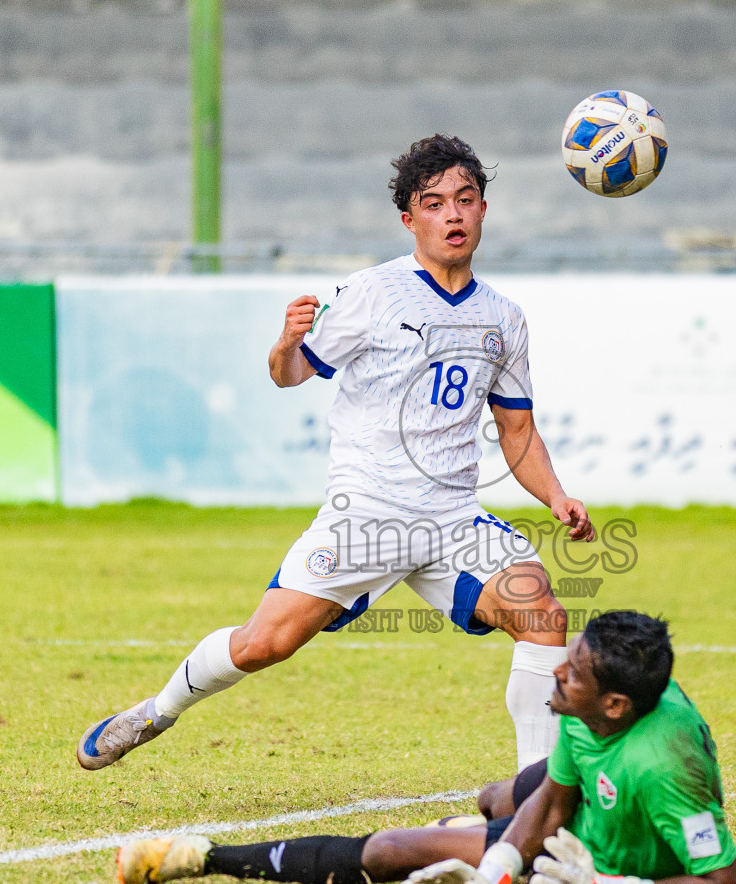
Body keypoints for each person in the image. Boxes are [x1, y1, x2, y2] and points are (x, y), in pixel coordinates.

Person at [76, 134, 594, 775]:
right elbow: (290, 374)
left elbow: (517, 434)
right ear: (410, 219)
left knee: (542, 613)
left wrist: (557, 495)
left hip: (452, 519)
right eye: (434, 203)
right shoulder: (373, 293)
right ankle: (158, 709)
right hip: (368, 512)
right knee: (265, 643)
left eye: (465, 199)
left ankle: (534, 798)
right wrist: (286, 342)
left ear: (484, 209)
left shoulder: (504, 318)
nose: (453, 215)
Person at [113, 611, 736, 884]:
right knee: (498, 798)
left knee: (392, 849)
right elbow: (554, 800)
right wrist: (497, 871)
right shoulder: (590, 709)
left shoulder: (666, 768)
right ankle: (479, 835)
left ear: (615, 705)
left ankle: (202, 856)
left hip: (606, 854)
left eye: (574, 671)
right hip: (572, 810)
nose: (556, 670)